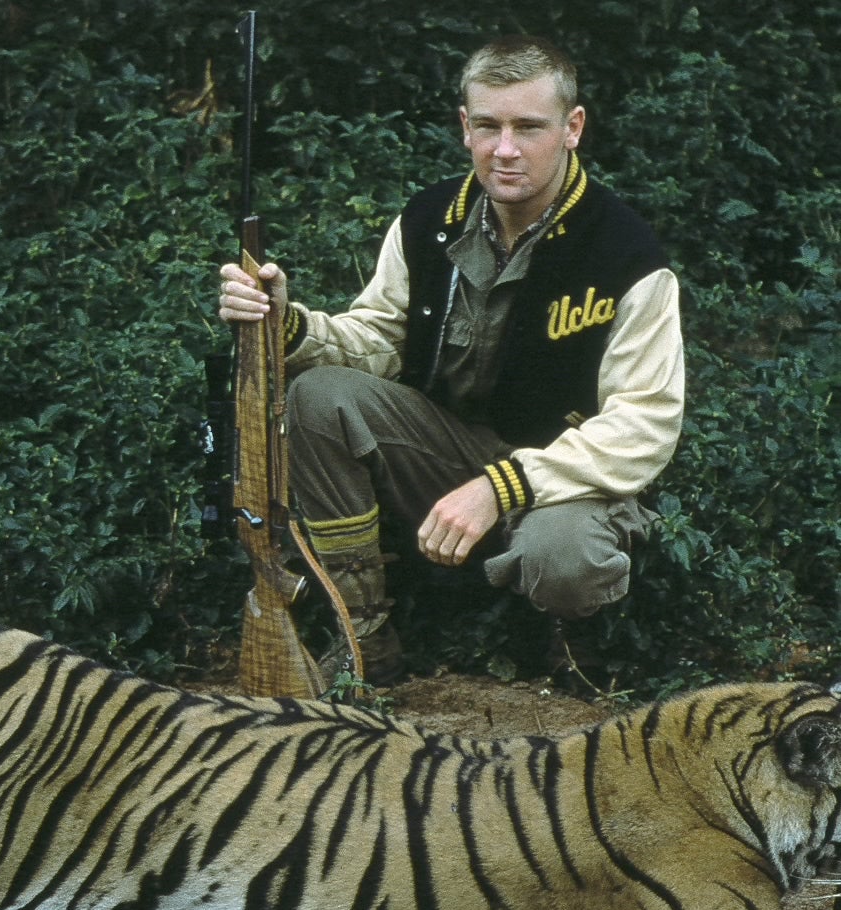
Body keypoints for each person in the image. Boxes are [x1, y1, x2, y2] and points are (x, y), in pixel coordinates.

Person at [217, 35, 684, 685]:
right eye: (488, 126)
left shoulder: (626, 252)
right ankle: (365, 637)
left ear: (573, 128)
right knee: (320, 395)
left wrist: (503, 488)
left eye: (529, 127)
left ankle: (574, 638)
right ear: (465, 127)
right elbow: (377, 338)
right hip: (450, 453)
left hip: (568, 484)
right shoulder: (428, 219)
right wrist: (285, 323)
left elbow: (646, 423)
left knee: (564, 555)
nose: (506, 150)